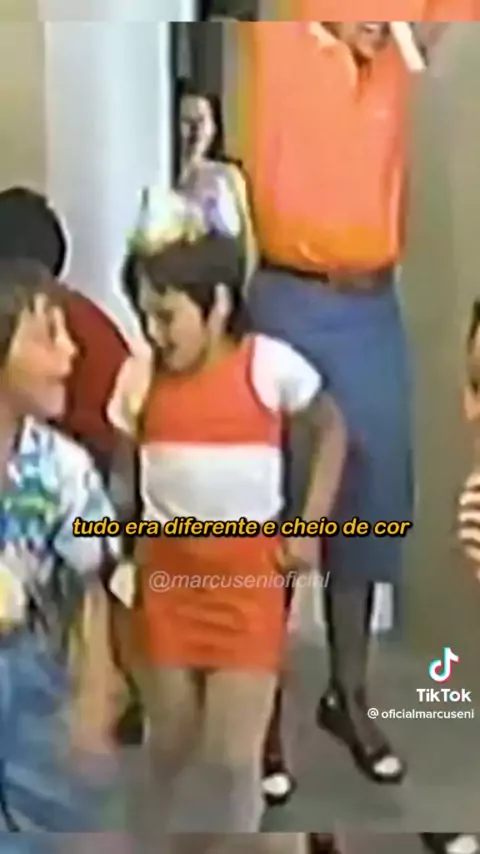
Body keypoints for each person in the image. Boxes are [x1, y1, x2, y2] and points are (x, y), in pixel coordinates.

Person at [228, 16, 463, 799]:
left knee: (370, 501)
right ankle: (261, 716)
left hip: (371, 304)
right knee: (280, 511)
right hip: (287, 295)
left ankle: (348, 696)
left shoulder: (399, 53)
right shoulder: (277, 38)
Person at [107, 203, 346, 845]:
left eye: (166, 316)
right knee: (169, 742)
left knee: (232, 756)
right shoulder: (139, 377)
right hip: (166, 585)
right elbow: (125, 474)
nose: (154, 332)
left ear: (216, 306)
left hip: (247, 587)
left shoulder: (269, 365)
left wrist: (309, 526)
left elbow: (331, 429)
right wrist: (119, 555)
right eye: (144, 316)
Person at [0, 258, 120, 832]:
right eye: (49, 336)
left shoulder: (66, 470)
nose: (71, 354)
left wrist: (96, 689)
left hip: (30, 680)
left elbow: (92, 581)